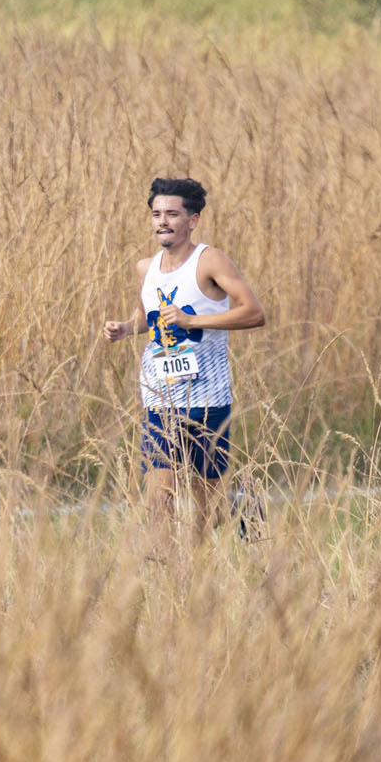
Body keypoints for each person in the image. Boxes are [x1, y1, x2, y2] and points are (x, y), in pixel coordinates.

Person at [102, 177, 267, 545]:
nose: (163, 221)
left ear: (192, 220)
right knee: (160, 498)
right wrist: (126, 328)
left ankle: (238, 505)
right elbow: (150, 317)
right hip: (160, 397)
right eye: (157, 214)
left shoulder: (210, 260)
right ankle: (167, 576)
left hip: (208, 399)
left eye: (172, 214)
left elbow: (254, 313)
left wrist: (194, 321)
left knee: (207, 507)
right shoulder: (146, 268)